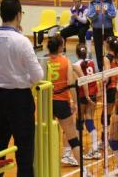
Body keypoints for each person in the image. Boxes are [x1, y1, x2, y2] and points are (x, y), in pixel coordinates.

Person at [0, 0, 44, 177]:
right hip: (19, 99)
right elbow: (38, 76)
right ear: (19, 15)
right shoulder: (22, 41)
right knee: (24, 150)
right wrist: (25, 79)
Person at [46, 35, 92, 173]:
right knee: (72, 138)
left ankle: (45, 169)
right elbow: (71, 84)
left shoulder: (44, 61)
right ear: (61, 47)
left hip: (46, 103)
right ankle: (84, 171)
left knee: (45, 137)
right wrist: (75, 102)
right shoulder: (65, 61)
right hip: (61, 103)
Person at [74, 43, 101, 160]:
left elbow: (79, 81)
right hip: (93, 93)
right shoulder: (91, 62)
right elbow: (94, 77)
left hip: (82, 94)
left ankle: (78, 145)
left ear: (76, 53)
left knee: (79, 119)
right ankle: (95, 148)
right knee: (89, 118)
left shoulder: (75, 65)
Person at [86, 0, 117, 71]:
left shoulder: (110, 1)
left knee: (112, 47)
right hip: (97, 29)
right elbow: (90, 16)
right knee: (98, 49)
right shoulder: (92, 2)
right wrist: (96, 14)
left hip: (108, 29)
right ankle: (101, 68)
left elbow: (114, 14)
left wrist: (107, 13)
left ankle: (112, 66)